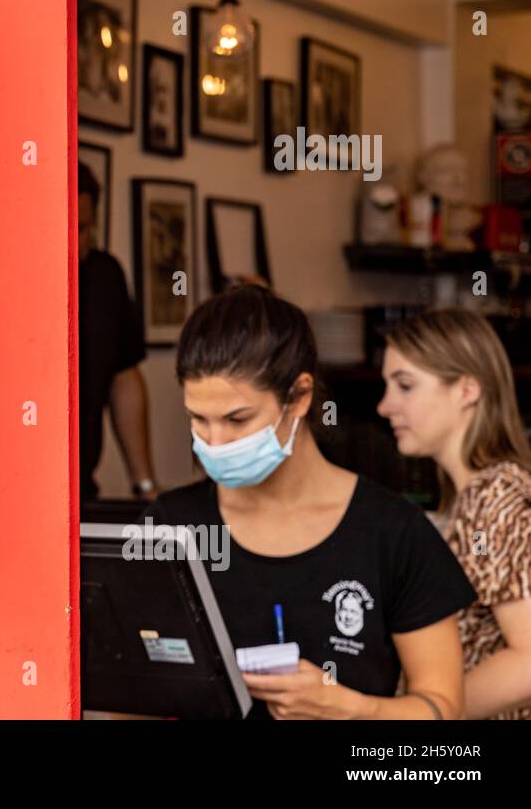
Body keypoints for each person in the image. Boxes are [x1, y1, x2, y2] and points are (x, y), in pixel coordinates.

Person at [144, 286, 475, 719]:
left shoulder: (394, 532)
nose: (215, 443)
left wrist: (351, 709)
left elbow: (442, 710)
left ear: (299, 396)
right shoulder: (170, 526)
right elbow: (132, 692)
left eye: (237, 419)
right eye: (198, 419)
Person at [377, 309, 531, 719]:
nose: (384, 406)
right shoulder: (471, 497)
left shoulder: (495, 496)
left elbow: (528, 662)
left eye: (405, 386)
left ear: (467, 389)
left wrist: (430, 712)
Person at [77, 160, 156, 499]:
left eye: (83, 229)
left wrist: (144, 484)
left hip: (80, 491)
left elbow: (124, 380)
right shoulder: (0, 275)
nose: (76, 245)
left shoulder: (104, 275)